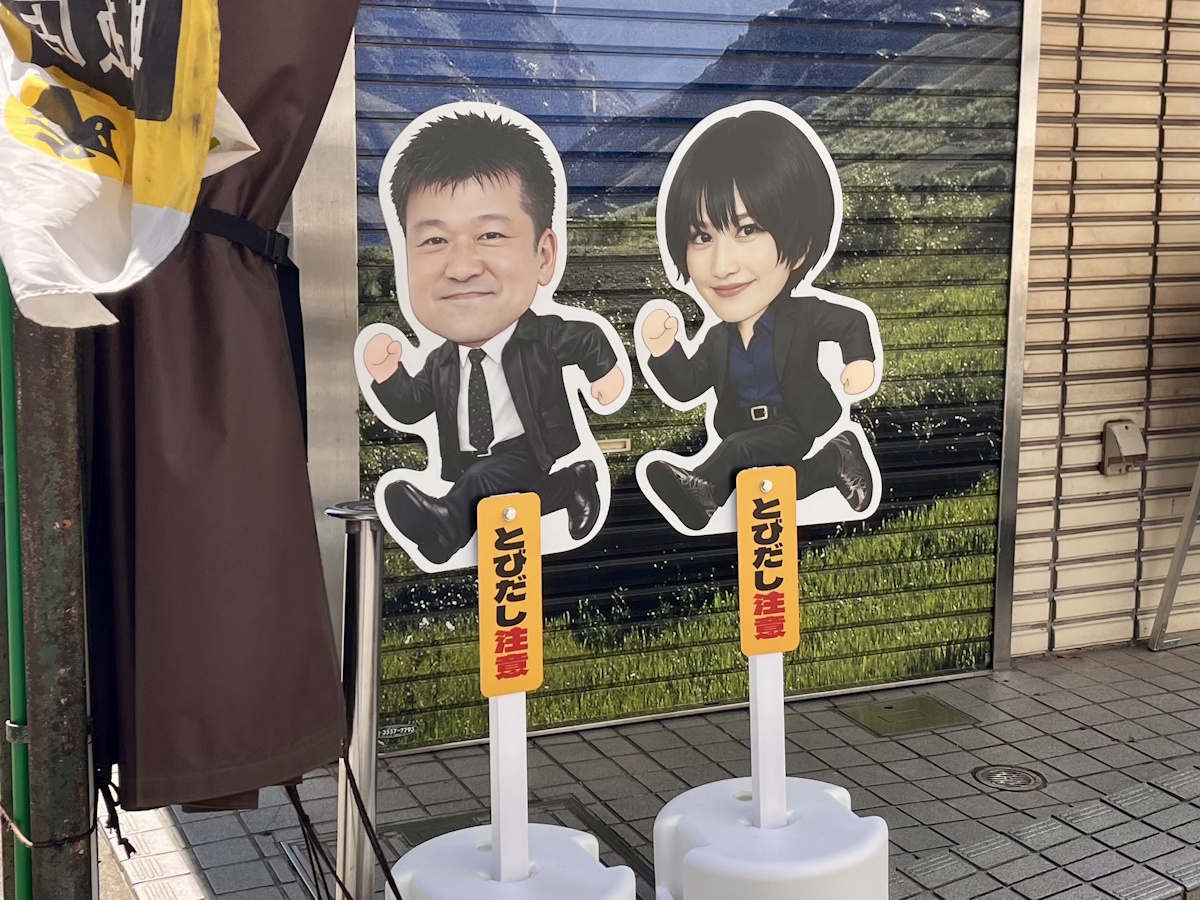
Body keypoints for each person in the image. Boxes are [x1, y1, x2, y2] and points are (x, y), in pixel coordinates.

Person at [363, 111, 625, 564]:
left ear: (544, 255)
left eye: (489, 234)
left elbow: (583, 338)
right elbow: (414, 404)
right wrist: (388, 375)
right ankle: (572, 484)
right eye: (434, 241)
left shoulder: (538, 337)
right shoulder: (442, 361)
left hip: (528, 447)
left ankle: (446, 525)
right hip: (468, 461)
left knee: (486, 481)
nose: (462, 267)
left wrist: (603, 373)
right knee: (502, 489)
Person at [640, 108, 877, 531]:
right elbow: (688, 384)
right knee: (778, 480)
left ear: (800, 247)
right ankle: (835, 461)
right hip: (745, 425)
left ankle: (703, 493)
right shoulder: (718, 338)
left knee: (738, 451)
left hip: (794, 420)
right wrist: (664, 350)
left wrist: (859, 362)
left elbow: (850, 323)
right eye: (702, 236)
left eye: (747, 230)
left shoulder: (801, 316)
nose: (722, 265)